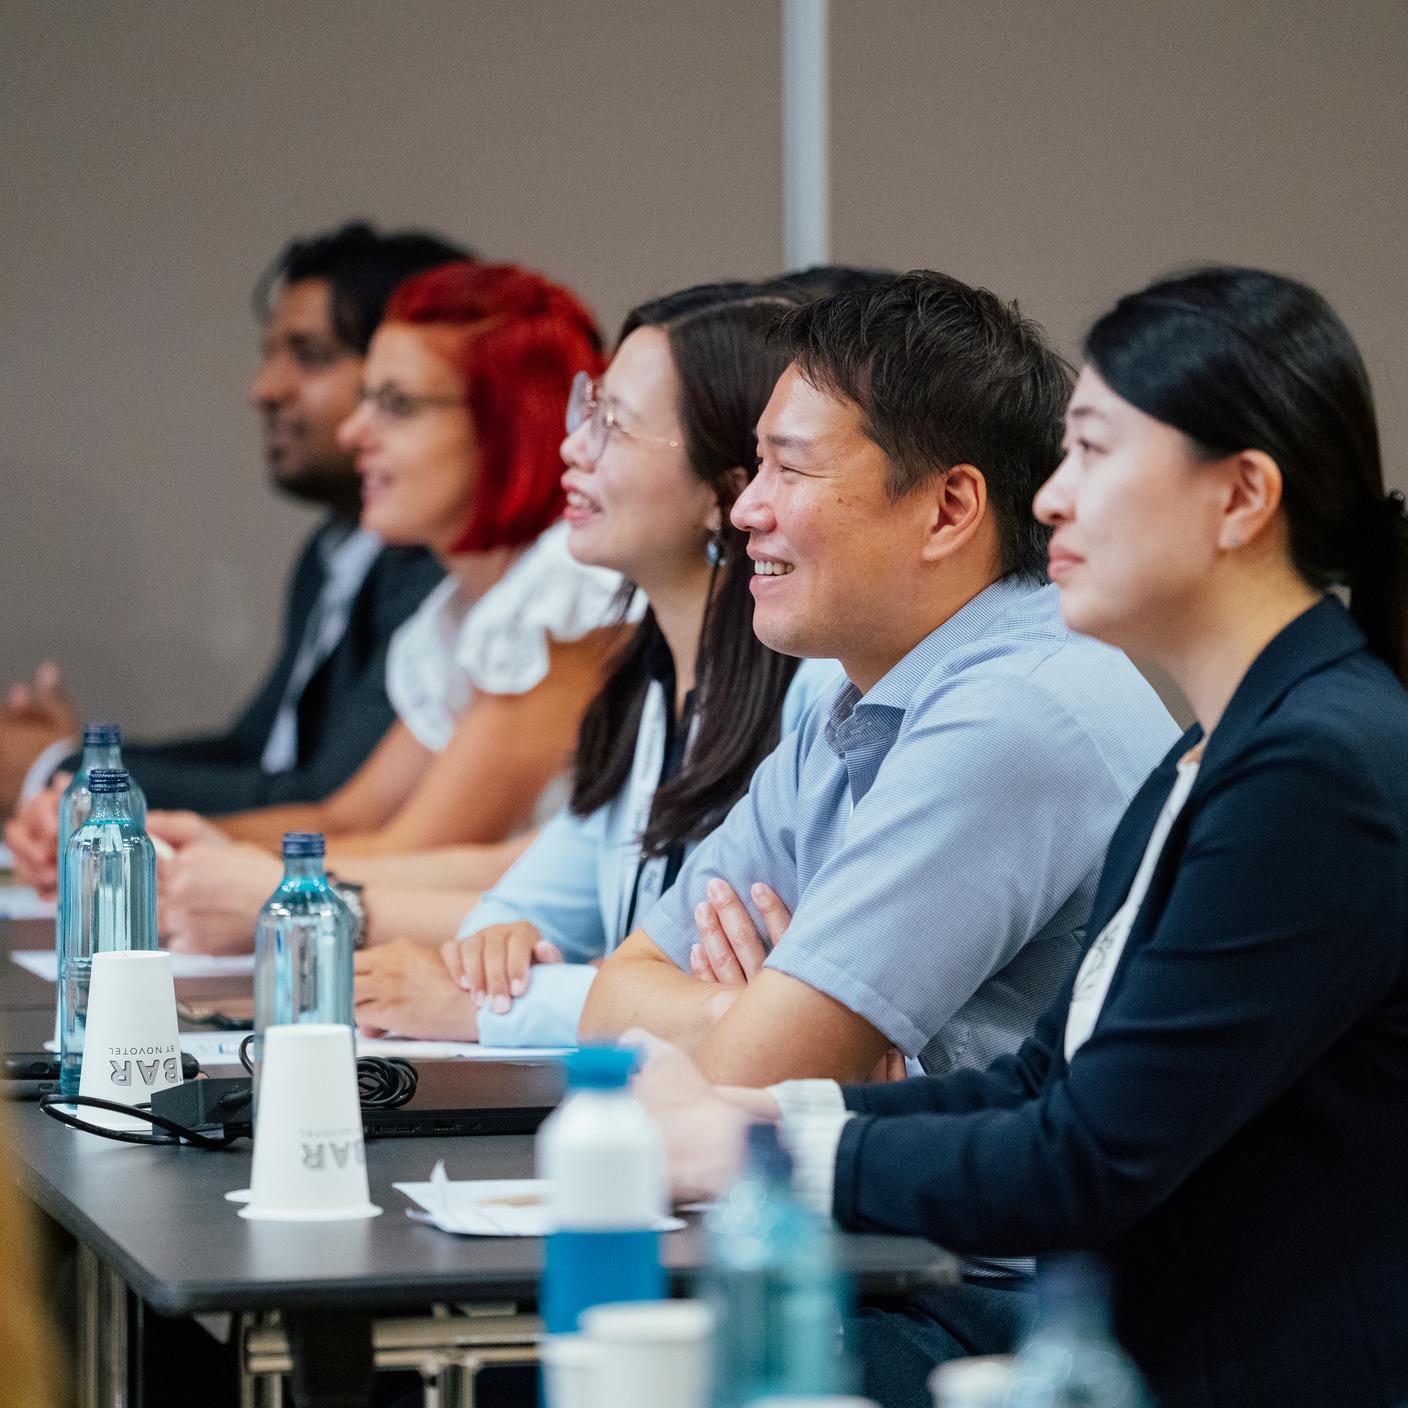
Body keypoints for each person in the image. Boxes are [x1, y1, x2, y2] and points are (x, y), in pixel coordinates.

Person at [631, 267, 1408, 1408]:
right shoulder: (1213, 747)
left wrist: (761, 1150)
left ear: (1240, 498)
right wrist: (769, 1112)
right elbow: (1049, 1079)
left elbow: (1091, 1157)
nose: (1048, 499)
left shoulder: (1316, 768)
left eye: (1094, 453)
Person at [580, 272, 1178, 1087]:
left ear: (948, 509)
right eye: (757, 467)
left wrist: (772, 1034)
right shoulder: (858, 701)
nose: (748, 509)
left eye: (789, 471)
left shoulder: (1016, 711)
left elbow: (745, 1088)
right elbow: (613, 1001)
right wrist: (745, 1015)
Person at [352, 284, 843, 1044]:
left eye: (612, 424)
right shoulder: (647, 685)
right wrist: (501, 943)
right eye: (589, 409)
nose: (572, 446)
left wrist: (492, 1004)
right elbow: (523, 904)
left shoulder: (820, 693)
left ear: (729, 489)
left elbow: (757, 1006)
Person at [150, 260, 628, 949]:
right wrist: (185, 846)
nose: (353, 433)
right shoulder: (457, 608)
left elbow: (417, 843)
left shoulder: (565, 591)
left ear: (509, 424)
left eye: (396, 405)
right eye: (365, 399)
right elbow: (348, 817)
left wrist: (241, 879)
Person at [2, 221, 463, 887]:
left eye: (308, 355)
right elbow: (257, 750)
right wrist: (81, 768)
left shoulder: (441, 569)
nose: (265, 388)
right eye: (270, 353)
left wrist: (62, 774)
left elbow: (331, 801)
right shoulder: (331, 552)